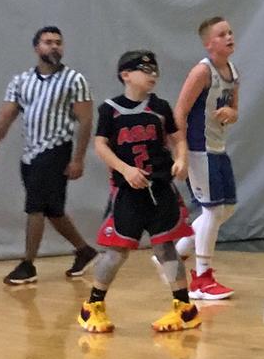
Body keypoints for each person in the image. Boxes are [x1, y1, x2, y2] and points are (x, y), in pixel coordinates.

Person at [78, 50, 200, 333]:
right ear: (126, 75)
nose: (152, 76)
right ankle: (92, 306)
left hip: (160, 188)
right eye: (146, 70)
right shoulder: (110, 109)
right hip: (128, 191)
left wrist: (181, 158)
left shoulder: (160, 107)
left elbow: (177, 138)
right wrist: (125, 169)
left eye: (155, 71)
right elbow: (100, 146)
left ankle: (184, 308)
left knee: (165, 248)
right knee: (116, 252)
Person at [0, 26, 97, 285]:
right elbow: (6, 116)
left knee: (35, 206)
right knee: (53, 210)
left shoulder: (74, 80)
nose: (54, 46)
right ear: (37, 48)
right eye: (48, 42)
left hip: (56, 149)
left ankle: (27, 264)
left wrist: (78, 158)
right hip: (30, 154)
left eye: (58, 42)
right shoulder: (21, 81)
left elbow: (86, 121)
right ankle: (84, 250)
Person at [169, 17, 240, 300]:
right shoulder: (201, 72)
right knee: (212, 211)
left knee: (227, 209)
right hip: (199, 149)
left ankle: (173, 255)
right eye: (222, 34)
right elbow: (179, 112)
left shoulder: (233, 72)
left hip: (218, 148)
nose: (229, 37)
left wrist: (232, 114)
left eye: (230, 32)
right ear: (208, 43)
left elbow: (235, 109)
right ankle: (201, 278)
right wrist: (181, 152)